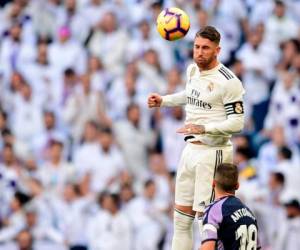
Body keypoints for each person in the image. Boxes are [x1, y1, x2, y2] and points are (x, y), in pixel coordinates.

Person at [147, 26, 245, 250]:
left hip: (213, 153)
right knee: (181, 219)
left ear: (217, 50)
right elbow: (190, 95)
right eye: (197, 47)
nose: (199, 52)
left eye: (206, 48)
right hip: (189, 151)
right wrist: (164, 100)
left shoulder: (229, 81)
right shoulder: (192, 71)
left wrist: (204, 128)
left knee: (207, 222)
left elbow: (238, 123)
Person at [200, 163, 261, 250]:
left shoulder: (214, 210)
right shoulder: (249, 213)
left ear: (213, 183)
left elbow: (208, 247)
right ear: (237, 186)